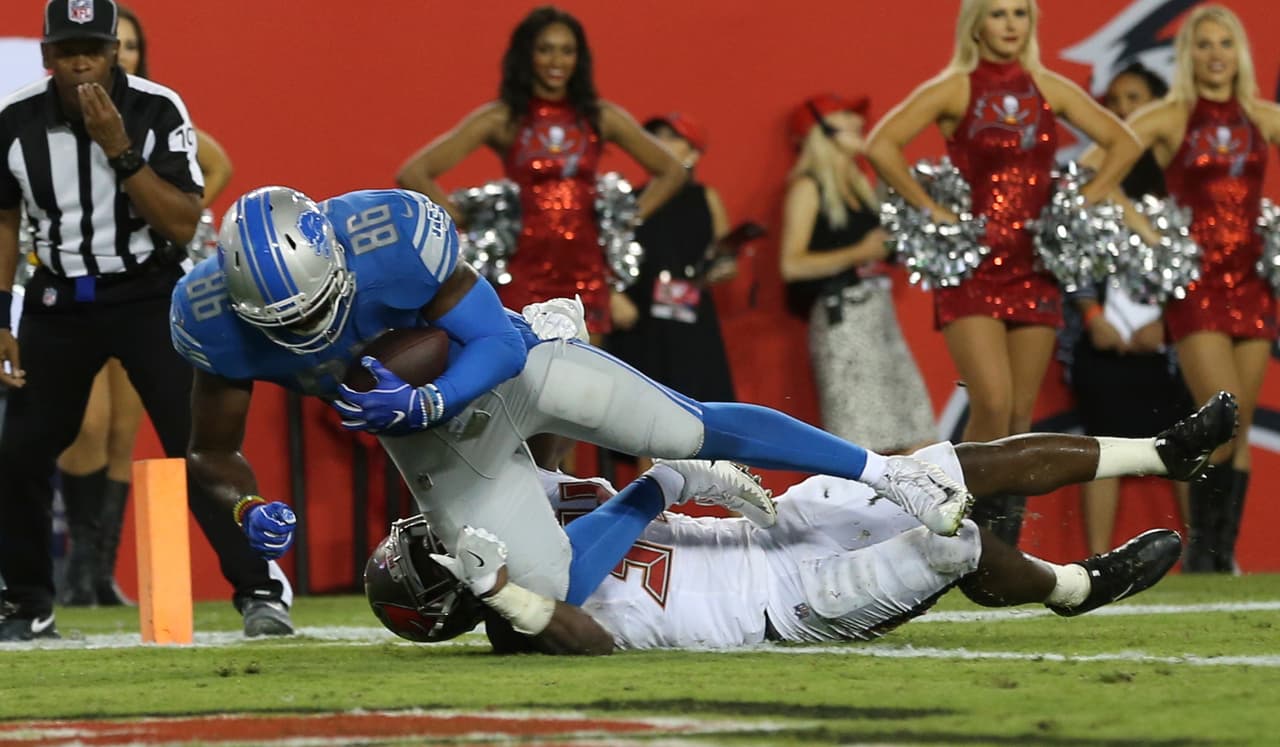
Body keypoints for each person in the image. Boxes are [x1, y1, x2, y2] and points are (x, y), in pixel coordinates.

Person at [171, 184, 977, 614]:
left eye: (319, 306)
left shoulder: (389, 234)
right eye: (288, 324)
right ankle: (660, 487)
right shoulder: (209, 323)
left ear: (337, 257)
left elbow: (496, 343)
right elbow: (209, 449)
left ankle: (887, 472)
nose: (314, 331)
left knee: (685, 422)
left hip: (499, 367)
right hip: (433, 442)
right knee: (546, 595)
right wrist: (245, 509)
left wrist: (427, 397)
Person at [366, 391, 1236, 654]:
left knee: (938, 466)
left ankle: (1162, 452)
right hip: (784, 608)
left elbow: (533, 435)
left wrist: (533, 358)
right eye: (434, 550)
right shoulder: (521, 624)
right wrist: (509, 596)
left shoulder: (518, 504)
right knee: (955, 539)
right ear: (451, 594)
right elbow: (583, 640)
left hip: (772, 528)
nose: (443, 529)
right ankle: (1075, 588)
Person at [0, 0, 290, 642]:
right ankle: (28, 603)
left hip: (148, 293)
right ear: (47, 56)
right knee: (19, 451)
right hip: (57, 300)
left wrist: (121, 152)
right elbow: (4, 220)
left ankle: (261, 589)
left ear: (114, 54)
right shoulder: (16, 120)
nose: (80, 62)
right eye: (67, 49)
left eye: (93, 49)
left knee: (200, 446)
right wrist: (1, 315)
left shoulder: (157, 109)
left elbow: (184, 223)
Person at [865, 0, 1141, 545]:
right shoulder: (956, 87)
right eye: (998, 13)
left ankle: (998, 546)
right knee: (990, 400)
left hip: (1035, 265)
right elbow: (881, 145)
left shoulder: (1049, 86)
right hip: (973, 267)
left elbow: (1124, 143)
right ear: (977, 23)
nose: (1010, 24)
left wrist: (1081, 200)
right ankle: (958, 535)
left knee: (1017, 412)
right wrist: (932, 209)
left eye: (1020, 13)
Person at [54, 3, 238, 607]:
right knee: (89, 424)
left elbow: (217, 164)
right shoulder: (45, 118)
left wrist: (166, 218)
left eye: (130, 47)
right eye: (118, 44)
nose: (122, 55)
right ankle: (76, 566)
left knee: (123, 435)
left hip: (145, 288)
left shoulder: (153, 114)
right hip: (77, 288)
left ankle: (98, 575)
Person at [395, 6, 687, 342]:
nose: (556, 62)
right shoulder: (504, 118)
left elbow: (672, 171)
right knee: (527, 378)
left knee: (588, 382)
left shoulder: (599, 117)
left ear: (579, 58)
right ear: (526, 55)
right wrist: (466, 220)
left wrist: (625, 222)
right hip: (523, 272)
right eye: (545, 50)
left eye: (567, 51)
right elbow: (414, 173)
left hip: (586, 273)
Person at [1120, 4, 1280, 572]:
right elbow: (1095, 172)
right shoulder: (1169, 117)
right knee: (1223, 422)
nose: (1216, 55)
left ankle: (1219, 558)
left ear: (1241, 54)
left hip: (1254, 283)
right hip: (1198, 287)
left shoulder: (1263, 116)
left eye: (1226, 44)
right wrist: (1152, 233)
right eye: (1205, 45)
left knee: (1237, 425)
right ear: (1189, 54)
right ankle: (1201, 555)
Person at [1067, 63, 1193, 557]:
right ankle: (1099, 558)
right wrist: (1092, 316)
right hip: (1104, 341)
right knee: (1104, 444)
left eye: (1134, 99)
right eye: (1113, 101)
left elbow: (1192, 254)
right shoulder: (1094, 169)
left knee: (1188, 441)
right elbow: (1070, 245)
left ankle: (1207, 556)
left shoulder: (1179, 172)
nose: (1122, 111)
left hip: (1169, 343)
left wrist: (1168, 321)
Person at [781, 94, 934, 454]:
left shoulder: (861, 188)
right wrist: (860, 252)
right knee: (864, 448)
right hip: (843, 321)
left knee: (919, 440)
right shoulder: (808, 187)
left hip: (879, 315)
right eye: (846, 116)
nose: (858, 123)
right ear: (822, 128)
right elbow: (792, 264)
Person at [606, 112, 739, 470]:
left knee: (714, 418)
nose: (660, 146)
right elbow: (605, 254)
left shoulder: (704, 198)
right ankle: (648, 518)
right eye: (654, 139)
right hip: (642, 324)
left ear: (693, 153)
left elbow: (722, 255)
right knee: (642, 421)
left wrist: (721, 268)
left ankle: (745, 517)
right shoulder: (629, 201)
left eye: (671, 138)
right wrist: (612, 296)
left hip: (692, 324)